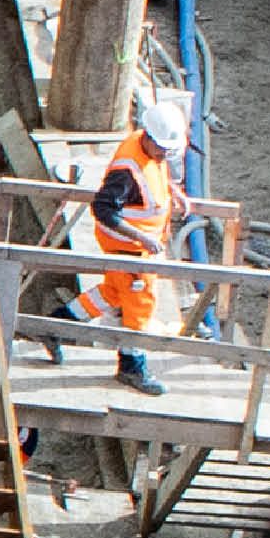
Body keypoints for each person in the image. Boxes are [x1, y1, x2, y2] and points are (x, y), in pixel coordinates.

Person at [85, 85, 189, 391]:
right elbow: (102, 208)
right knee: (140, 306)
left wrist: (173, 191)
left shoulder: (144, 147)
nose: (165, 155)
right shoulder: (126, 170)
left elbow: (152, 174)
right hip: (128, 248)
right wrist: (141, 237)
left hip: (131, 247)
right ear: (149, 137)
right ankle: (131, 367)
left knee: (112, 294)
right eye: (162, 149)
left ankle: (57, 324)